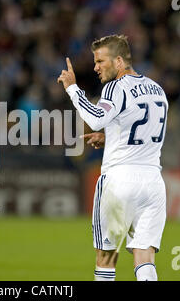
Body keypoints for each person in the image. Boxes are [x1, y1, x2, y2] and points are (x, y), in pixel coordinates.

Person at [58, 34, 168, 281]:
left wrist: (72, 88)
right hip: (153, 184)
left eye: (101, 61)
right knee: (145, 256)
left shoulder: (116, 87)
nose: (96, 67)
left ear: (119, 61)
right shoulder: (158, 90)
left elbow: (96, 118)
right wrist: (110, 138)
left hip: (119, 182)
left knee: (106, 259)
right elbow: (146, 135)